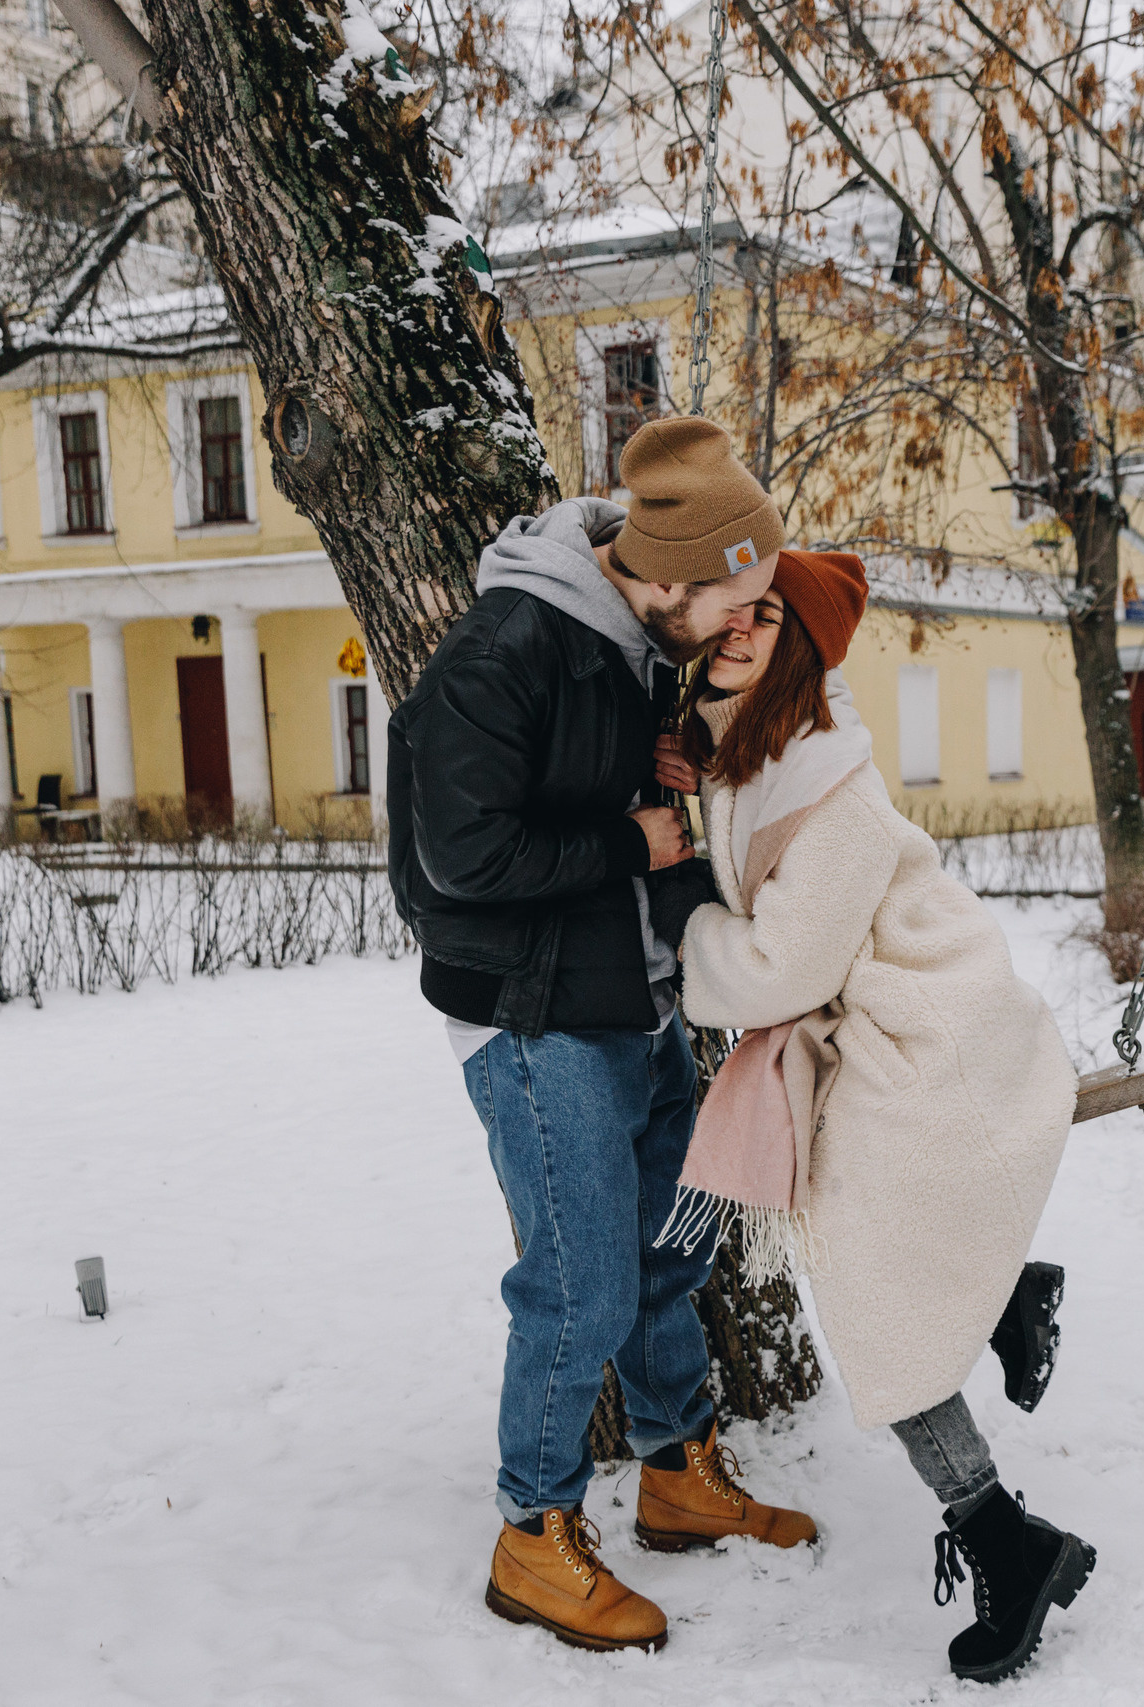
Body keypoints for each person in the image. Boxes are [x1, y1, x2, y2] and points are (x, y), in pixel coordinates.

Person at [385, 417, 817, 1656]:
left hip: (631, 996)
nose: (744, 625)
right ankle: (533, 1536)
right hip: (534, 1018)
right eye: (736, 600)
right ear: (672, 576)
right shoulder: (505, 650)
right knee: (579, 1287)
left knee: (667, 1253)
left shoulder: (637, 644)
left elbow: (599, 791)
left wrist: (668, 788)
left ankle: (678, 1473)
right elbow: (458, 859)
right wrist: (637, 838)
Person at [646, 549, 1093, 1684]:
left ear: (798, 646)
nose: (735, 628)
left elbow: (779, 969)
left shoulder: (826, 785)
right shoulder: (752, 744)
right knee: (881, 1292)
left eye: (762, 616)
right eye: (730, 609)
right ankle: (1007, 1308)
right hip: (875, 1033)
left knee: (875, 1311)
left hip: (923, 1035)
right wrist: (691, 765)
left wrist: (679, 902)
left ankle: (1007, 1540)